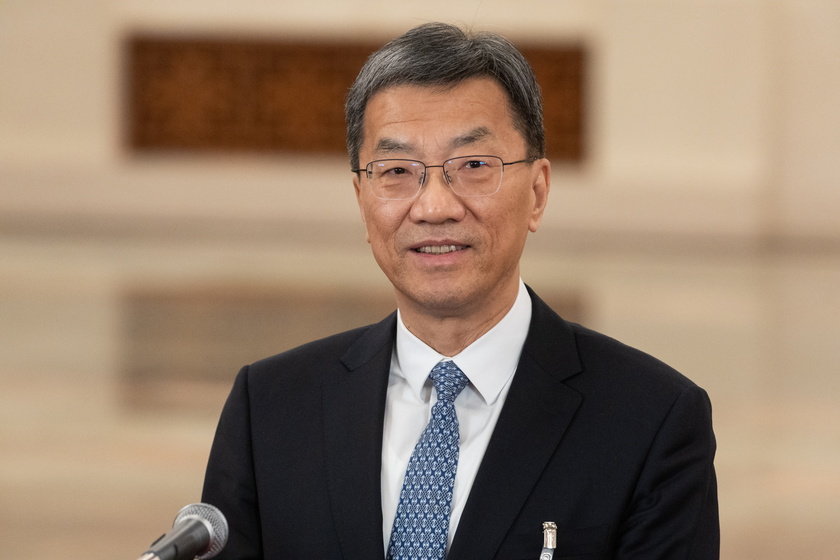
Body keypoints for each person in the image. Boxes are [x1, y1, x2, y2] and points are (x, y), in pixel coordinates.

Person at [201, 22, 719, 560]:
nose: (433, 207)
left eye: (473, 166)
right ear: (361, 198)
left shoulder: (651, 420)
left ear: (538, 192)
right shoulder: (270, 408)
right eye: (397, 170)